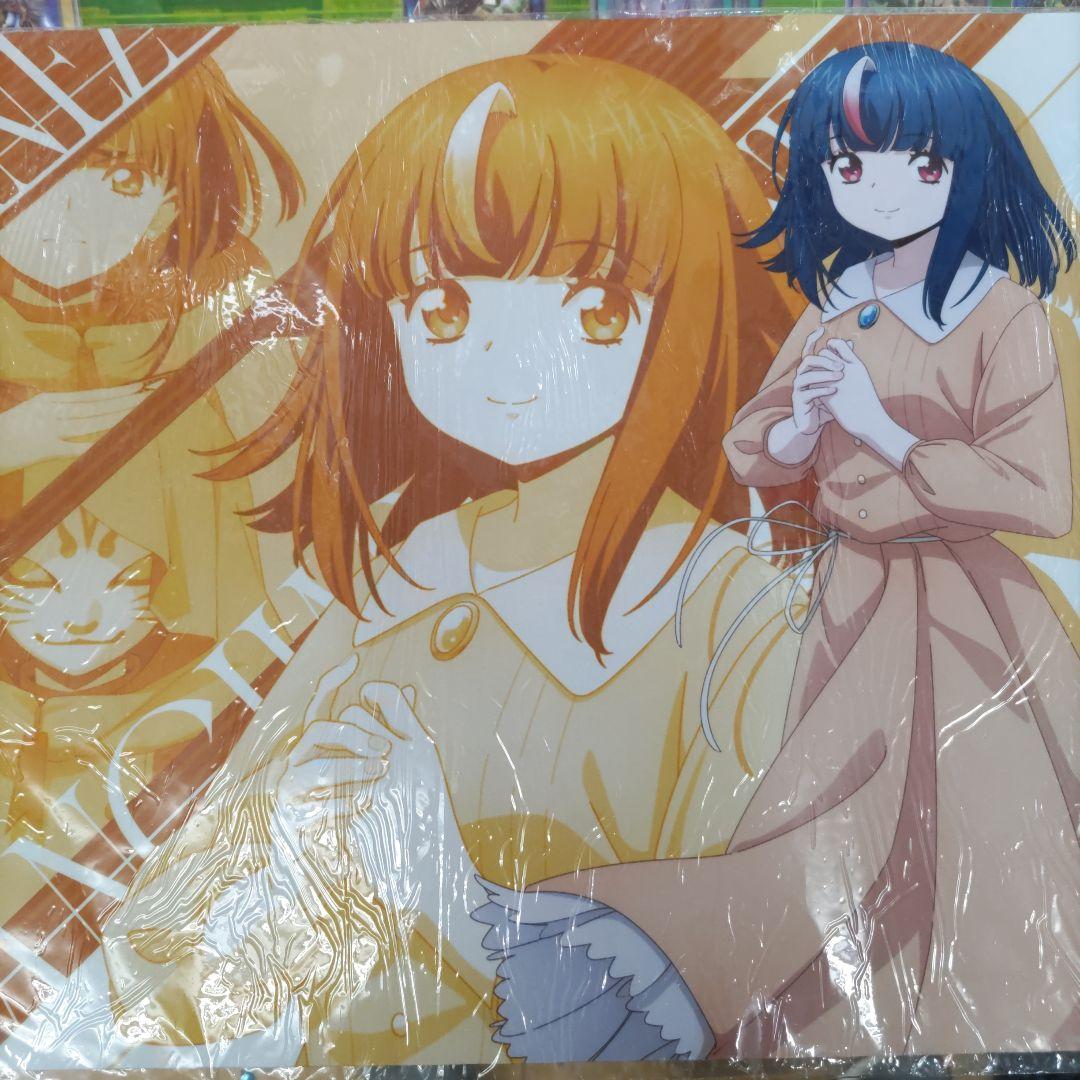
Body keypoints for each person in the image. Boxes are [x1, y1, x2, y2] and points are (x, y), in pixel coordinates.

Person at [98, 53, 808, 1066]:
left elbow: (728, 995)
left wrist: (448, 888)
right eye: (442, 311)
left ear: (690, 307)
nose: (506, 362)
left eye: (596, 308)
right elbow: (171, 926)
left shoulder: (734, 617)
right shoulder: (407, 563)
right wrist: (276, 857)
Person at [461, 42, 1078, 1060]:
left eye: (919, 162)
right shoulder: (841, 303)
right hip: (855, 598)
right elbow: (755, 441)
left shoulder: (1002, 315)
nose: (879, 189)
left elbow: (1039, 493)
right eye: (849, 165)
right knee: (835, 813)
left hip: (974, 616)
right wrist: (801, 429)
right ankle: (824, 1012)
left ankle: (987, 1015)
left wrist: (884, 432)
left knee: (970, 817)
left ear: (966, 168)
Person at [0, 58, 303, 918]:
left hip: (178, 670)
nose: (68, 212)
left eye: (122, 181)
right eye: (30, 172)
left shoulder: (212, 298)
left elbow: (291, 437)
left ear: (175, 198)